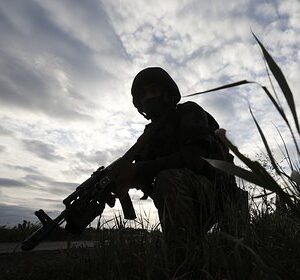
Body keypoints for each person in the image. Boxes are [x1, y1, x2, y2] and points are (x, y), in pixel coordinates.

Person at [115, 67, 245, 275]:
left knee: (167, 179)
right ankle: (186, 257)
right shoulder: (148, 136)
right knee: (164, 180)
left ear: (166, 93)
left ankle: (187, 270)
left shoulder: (189, 112)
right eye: (144, 95)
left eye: (153, 90)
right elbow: (145, 175)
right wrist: (124, 182)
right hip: (184, 201)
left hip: (219, 197)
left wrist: (140, 169)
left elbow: (195, 159)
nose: (149, 98)